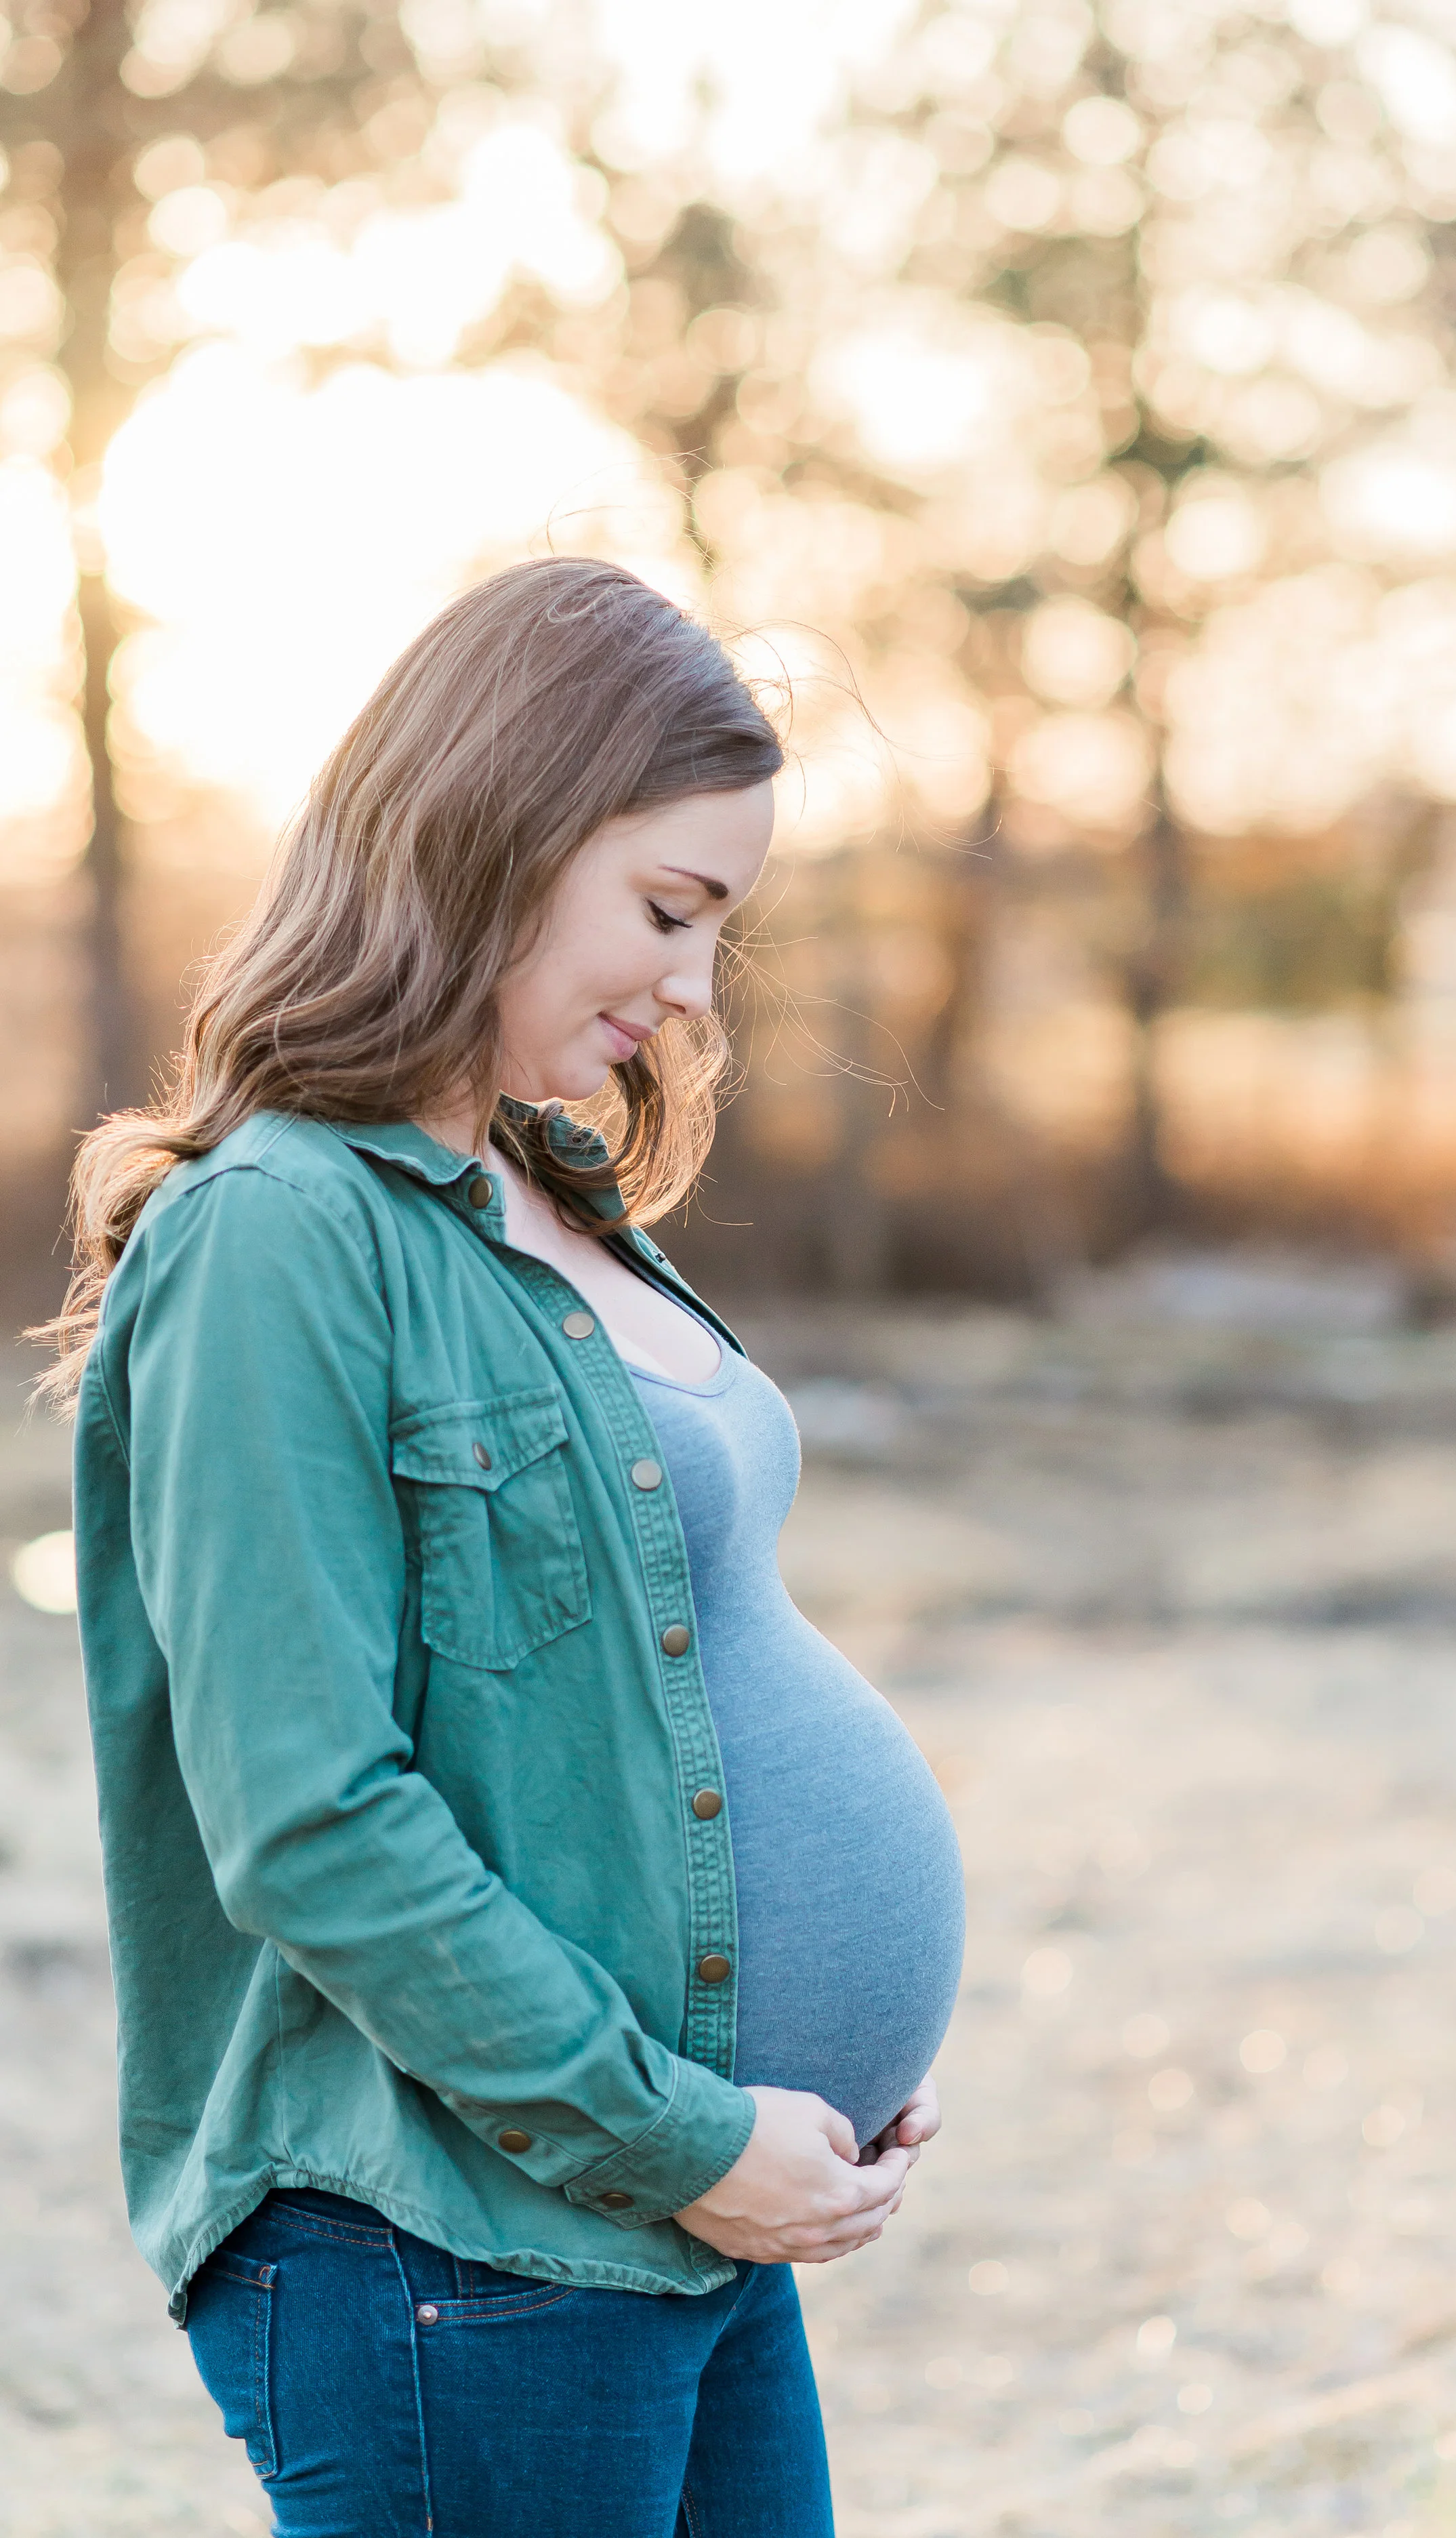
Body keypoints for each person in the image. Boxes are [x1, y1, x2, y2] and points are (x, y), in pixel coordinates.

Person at [42, 558, 968, 2536]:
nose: (695, 990)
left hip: (676, 2216)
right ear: (498, 831)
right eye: (666, 911)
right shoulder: (278, 1238)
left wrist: (776, 2095)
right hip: (454, 2243)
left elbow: (625, 1709)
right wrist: (688, 2127)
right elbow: (308, 1818)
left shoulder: (543, 1194)